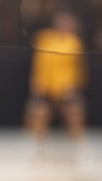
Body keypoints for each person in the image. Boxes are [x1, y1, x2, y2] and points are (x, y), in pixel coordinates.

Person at [25, 11, 87, 158]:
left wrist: (73, 86)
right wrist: (37, 84)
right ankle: (38, 145)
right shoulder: (45, 39)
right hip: (47, 86)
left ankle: (77, 145)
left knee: (75, 111)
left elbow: (78, 68)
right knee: (39, 112)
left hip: (66, 88)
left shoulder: (74, 42)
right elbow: (39, 63)